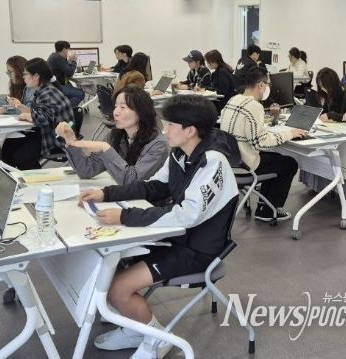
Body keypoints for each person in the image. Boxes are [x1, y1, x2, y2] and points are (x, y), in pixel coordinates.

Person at [80, 95, 240, 359]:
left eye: (170, 125)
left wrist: (125, 216)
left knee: (117, 290)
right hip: (175, 237)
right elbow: (154, 186)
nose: (165, 131)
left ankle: (156, 339)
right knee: (108, 268)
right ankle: (136, 329)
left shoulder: (213, 162)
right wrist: (107, 193)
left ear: (190, 130)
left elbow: (186, 216)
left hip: (198, 250)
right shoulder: (180, 153)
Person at [220, 67, 302, 221]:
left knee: (275, 159)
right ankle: (269, 211)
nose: (269, 87)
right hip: (245, 165)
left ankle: (264, 207)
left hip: (230, 162)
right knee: (289, 163)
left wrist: (273, 132)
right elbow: (260, 143)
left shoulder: (233, 100)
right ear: (261, 85)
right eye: (268, 84)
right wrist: (289, 134)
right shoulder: (254, 106)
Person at [56, 85, 168, 185]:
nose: (116, 112)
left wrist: (105, 148)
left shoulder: (157, 144)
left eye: (123, 107)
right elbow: (87, 170)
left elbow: (132, 181)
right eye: (115, 106)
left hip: (148, 200)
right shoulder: (115, 135)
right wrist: (70, 140)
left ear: (141, 112)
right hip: (125, 197)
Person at [2, 58, 74, 170]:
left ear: (36, 76)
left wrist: (26, 115)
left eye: (25, 74)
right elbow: (39, 112)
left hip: (55, 138)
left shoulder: (48, 92)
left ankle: (36, 179)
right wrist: (20, 107)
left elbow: (43, 119)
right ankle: (11, 177)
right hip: (46, 132)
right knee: (7, 147)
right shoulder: (43, 90)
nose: (23, 77)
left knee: (21, 156)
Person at [46, 40, 85, 107]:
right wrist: (74, 61)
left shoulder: (55, 56)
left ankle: (66, 108)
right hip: (56, 86)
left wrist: (69, 61)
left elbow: (66, 70)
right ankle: (63, 109)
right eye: (68, 49)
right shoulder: (57, 58)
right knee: (80, 93)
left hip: (56, 84)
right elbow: (70, 73)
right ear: (64, 49)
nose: (69, 52)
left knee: (73, 93)